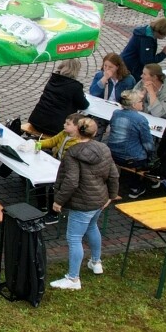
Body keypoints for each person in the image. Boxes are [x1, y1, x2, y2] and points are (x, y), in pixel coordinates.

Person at [49, 114, 118, 291]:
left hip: (82, 202)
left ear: (77, 132)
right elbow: (113, 174)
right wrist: (111, 196)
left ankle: (73, 278)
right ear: (95, 133)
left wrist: (58, 200)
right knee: (92, 227)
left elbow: (71, 181)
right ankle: (96, 262)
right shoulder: (104, 148)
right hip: (99, 199)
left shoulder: (73, 153)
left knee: (74, 238)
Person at [29, 58, 89, 137]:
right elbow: (84, 105)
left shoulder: (52, 79)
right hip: (55, 127)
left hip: (36, 120)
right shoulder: (75, 86)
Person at [104, 87, 155, 170]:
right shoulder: (141, 119)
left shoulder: (116, 113)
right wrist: (152, 155)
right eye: (140, 101)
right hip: (131, 159)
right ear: (134, 105)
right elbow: (148, 144)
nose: (142, 103)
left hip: (112, 153)